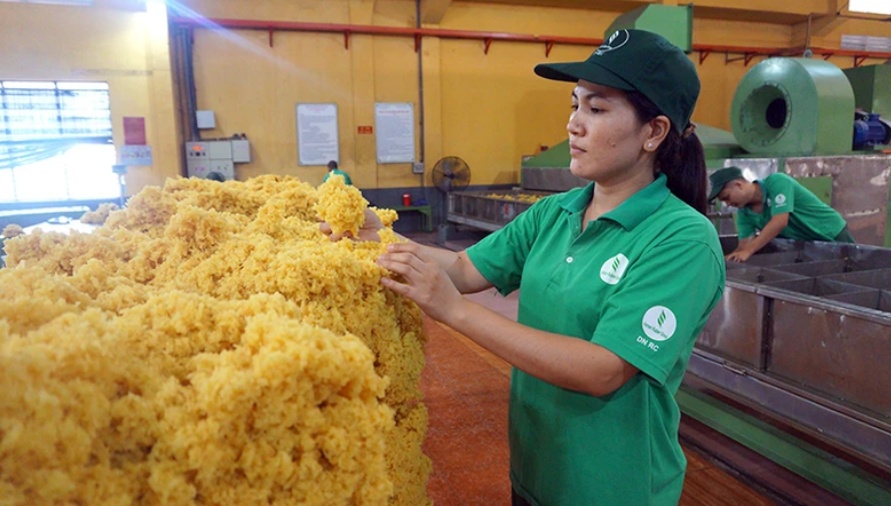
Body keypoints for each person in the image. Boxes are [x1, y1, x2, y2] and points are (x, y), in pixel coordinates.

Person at [326, 29, 725, 505]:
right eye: (575, 105)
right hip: (537, 472)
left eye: (597, 109)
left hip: (610, 486)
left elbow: (604, 369)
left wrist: (456, 313)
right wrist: (376, 235)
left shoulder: (680, 239)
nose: (574, 125)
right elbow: (463, 266)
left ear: (654, 132)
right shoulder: (555, 213)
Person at [709, 166, 854, 263]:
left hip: (831, 232)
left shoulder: (777, 182)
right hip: (805, 244)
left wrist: (749, 251)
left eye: (726, 197)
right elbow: (743, 247)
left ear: (738, 185)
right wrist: (724, 261)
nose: (727, 204)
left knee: (851, 269)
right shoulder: (744, 213)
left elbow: (780, 221)